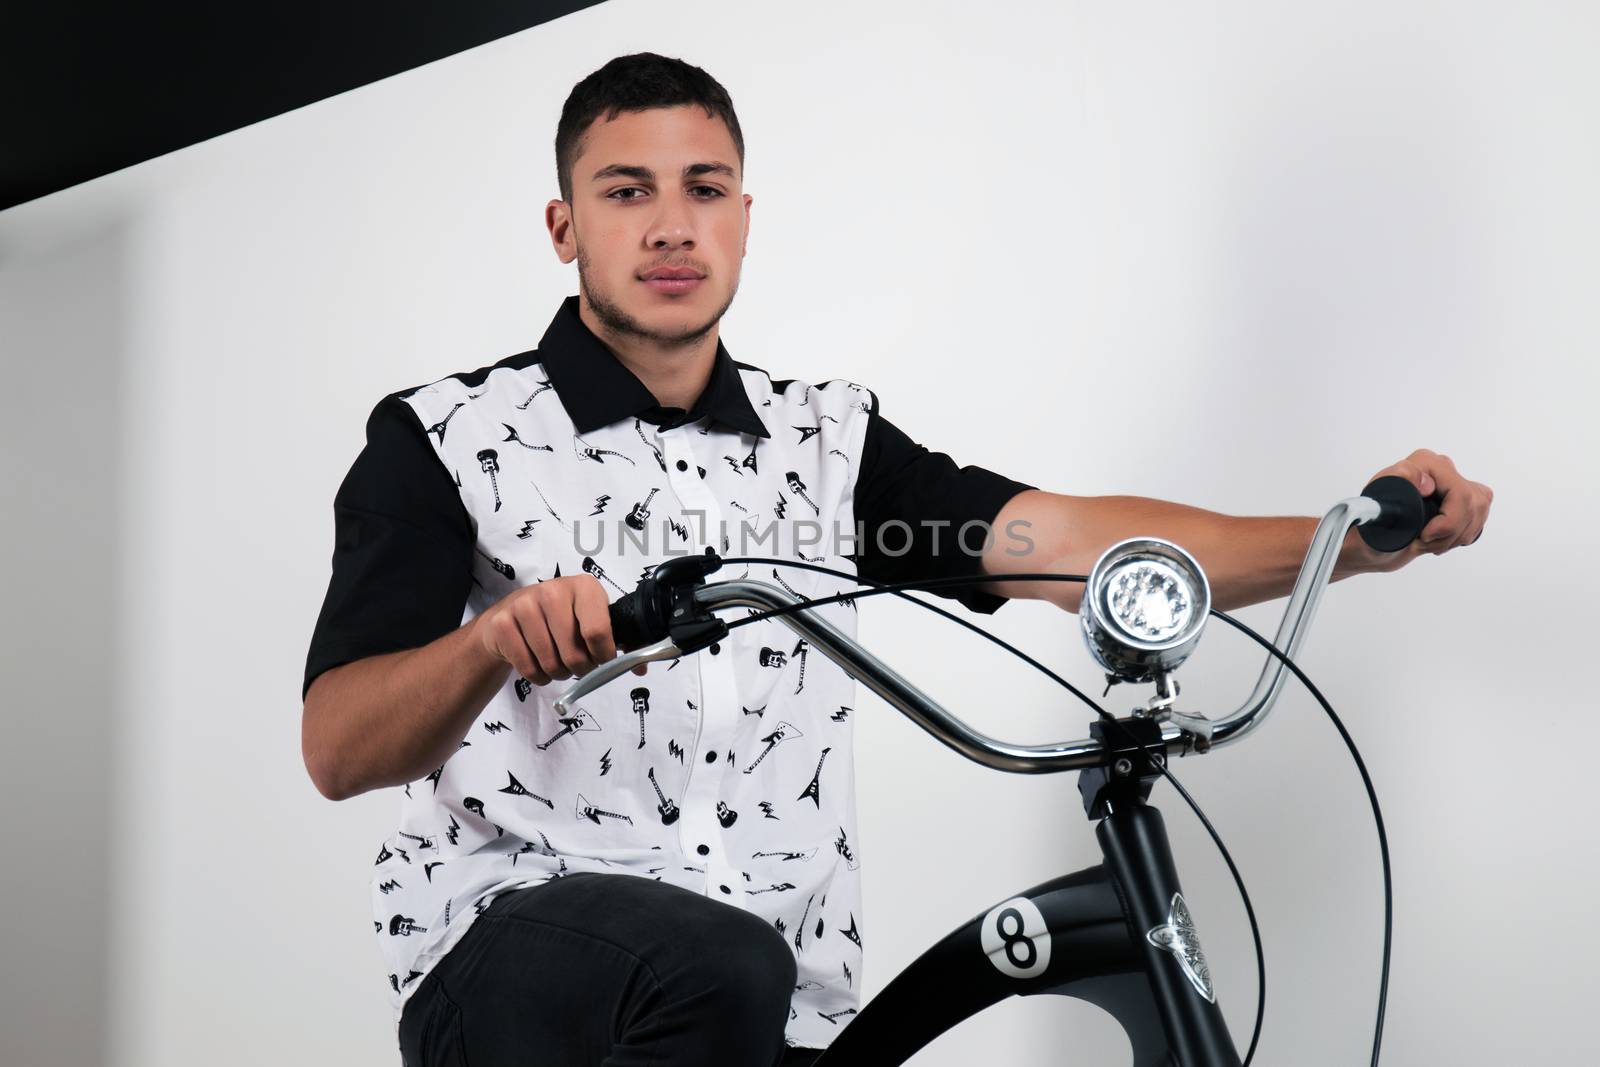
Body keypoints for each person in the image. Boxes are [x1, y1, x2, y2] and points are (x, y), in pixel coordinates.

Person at [300, 53, 1493, 1067]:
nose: (671, 224)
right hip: (506, 957)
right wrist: (489, 642)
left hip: (779, 999)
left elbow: (1063, 541)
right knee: (719, 961)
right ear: (565, 227)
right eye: (627, 191)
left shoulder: (826, 446)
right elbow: (340, 745)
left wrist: (1347, 540)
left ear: (744, 219)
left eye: (702, 188)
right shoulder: (448, 437)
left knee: (746, 973)